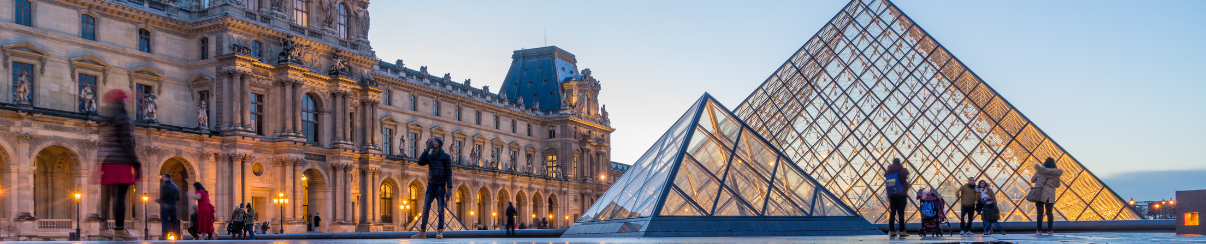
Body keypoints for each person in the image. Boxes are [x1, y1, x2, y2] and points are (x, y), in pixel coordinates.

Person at [95, 89, 141, 241]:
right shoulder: (123, 118)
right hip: (120, 161)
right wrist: (136, 163)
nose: (126, 102)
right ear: (121, 102)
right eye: (124, 100)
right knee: (120, 197)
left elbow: (101, 142)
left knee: (106, 197)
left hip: (105, 161)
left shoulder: (104, 118)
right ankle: (120, 230)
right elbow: (128, 143)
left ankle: (103, 229)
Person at [411, 138, 453, 239]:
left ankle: (440, 231)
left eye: (435, 141)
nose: (432, 142)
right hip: (431, 185)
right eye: (432, 142)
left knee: (440, 209)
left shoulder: (446, 156)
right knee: (425, 209)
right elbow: (420, 162)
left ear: (439, 144)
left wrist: (449, 188)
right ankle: (422, 231)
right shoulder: (430, 156)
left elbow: (449, 173)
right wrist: (426, 150)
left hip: (441, 185)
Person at [1031, 157, 1063, 235]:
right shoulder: (1056, 174)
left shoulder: (1039, 171)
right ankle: (1050, 231)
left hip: (1040, 194)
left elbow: (1032, 180)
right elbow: (1058, 185)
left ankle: (1039, 230)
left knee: (1040, 213)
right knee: (1049, 213)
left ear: (1044, 163)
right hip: (1050, 195)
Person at [884, 158, 910, 237]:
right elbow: (907, 173)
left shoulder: (889, 170)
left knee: (892, 213)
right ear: (899, 162)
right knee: (901, 213)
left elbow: (885, 174)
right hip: (901, 195)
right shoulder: (902, 170)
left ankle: (892, 231)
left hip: (892, 195)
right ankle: (902, 231)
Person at [157, 174, 181, 240]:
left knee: (165, 222)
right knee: (174, 222)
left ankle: (164, 236)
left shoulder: (164, 186)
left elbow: (163, 197)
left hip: (165, 206)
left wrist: (159, 200)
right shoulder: (176, 186)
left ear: (167, 178)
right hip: (173, 206)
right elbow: (178, 198)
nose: (162, 178)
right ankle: (177, 236)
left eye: (163, 177)